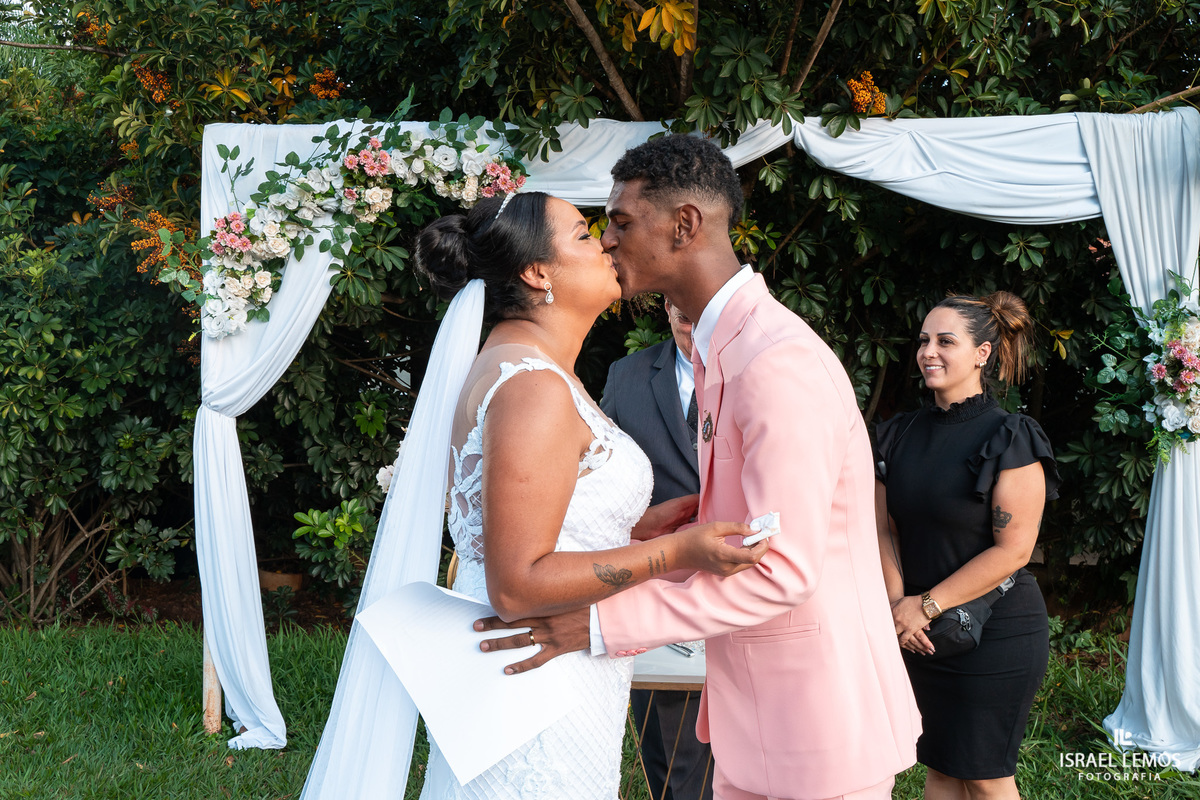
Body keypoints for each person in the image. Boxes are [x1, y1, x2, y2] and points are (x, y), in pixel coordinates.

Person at [477, 134, 920, 800]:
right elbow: (741, 539)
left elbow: (784, 568)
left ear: (684, 225)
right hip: (753, 723)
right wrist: (667, 543)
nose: (608, 242)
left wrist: (600, 623)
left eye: (622, 222)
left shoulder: (774, 363)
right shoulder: (723, 351)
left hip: (819, 724)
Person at [412, 190, 767, 800]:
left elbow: (549, 524)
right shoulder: (533, 388)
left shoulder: (536, 369)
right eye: (583, 234)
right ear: (537, 273)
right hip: (537, 681)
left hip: (553, 665)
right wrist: (676, 553)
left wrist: (635, 531)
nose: (605, 242)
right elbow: (518, 582)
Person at [873, 292, 1060, 800]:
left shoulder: (1009, 436)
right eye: (924, 340)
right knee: (941, 768)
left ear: (982, 353)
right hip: (920, 629)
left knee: (985, 777)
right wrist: (898, 608)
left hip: (996, 628)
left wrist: (925, 605)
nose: (928, 351)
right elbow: (882, 529)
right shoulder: (897, 433)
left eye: (945, 341)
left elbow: (1014, 551)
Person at [600, 297, 713, 800]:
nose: (691, 320)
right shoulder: (626, 376)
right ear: (666, 304)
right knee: (675, 765)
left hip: (757, 592)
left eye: (704, 307)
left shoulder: (771, 371)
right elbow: (599, 481)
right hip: (660, 596)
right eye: (681, 309)